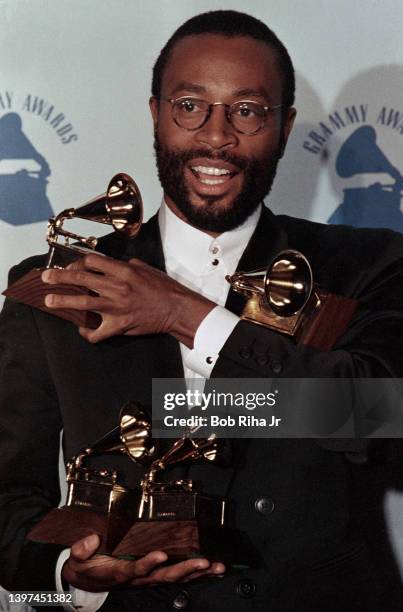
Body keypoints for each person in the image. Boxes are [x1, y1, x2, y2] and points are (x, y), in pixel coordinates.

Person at [0, 9, 402, 612]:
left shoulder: (368, 263)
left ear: (286, 126)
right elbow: (7, 497)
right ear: (156, 113)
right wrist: (67, 577)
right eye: (190, 106)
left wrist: (185, 315)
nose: (217, 137)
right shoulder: (62, 284)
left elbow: (373, 418)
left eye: (248, 110)